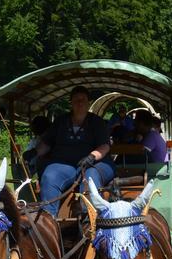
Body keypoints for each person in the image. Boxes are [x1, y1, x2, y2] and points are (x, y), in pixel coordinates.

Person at [28, 85, 113, 217]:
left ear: (88, 102)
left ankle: (89, 220)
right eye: (76, 100)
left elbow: (105, 146)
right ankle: (48, 220)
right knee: (49, 176)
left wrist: (91, 156)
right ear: (71, 103)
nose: (79, 103)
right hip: (63, 164)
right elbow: (47, 142)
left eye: (83, 100)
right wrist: (35, 152)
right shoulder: (60, 121)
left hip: (94, 164)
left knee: (89, 179)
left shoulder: (97, 122)